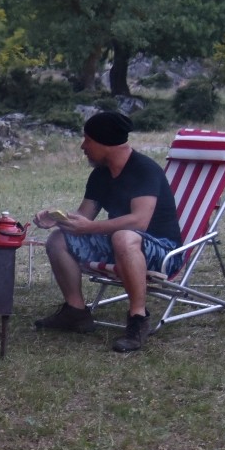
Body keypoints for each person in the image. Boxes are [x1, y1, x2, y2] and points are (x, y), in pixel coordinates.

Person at [32, 110, 182, 353]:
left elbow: (139, 222)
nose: (83, 146)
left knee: (124, 236)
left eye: (88, 140)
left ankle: (137, 318)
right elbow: (84, 217)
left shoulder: (144, 170)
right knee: (59, 239)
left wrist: (90, 227)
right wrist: (58, 218)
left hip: (163, 251)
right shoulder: (101, 174)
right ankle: (76, 312)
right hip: (120, 245)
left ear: (106, 143)